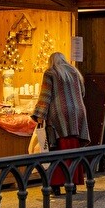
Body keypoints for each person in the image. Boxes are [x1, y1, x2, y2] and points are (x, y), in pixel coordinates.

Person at [32, 52, 90, 197]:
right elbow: (82, 93)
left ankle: (56, 185)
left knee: (57, 149)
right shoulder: (74, 72)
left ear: (51, 61)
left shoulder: (50, 72)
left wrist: (39, 115)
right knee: (73, 148)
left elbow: (45, 95)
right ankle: (73, 184)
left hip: (59, 114)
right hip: (77, 113)